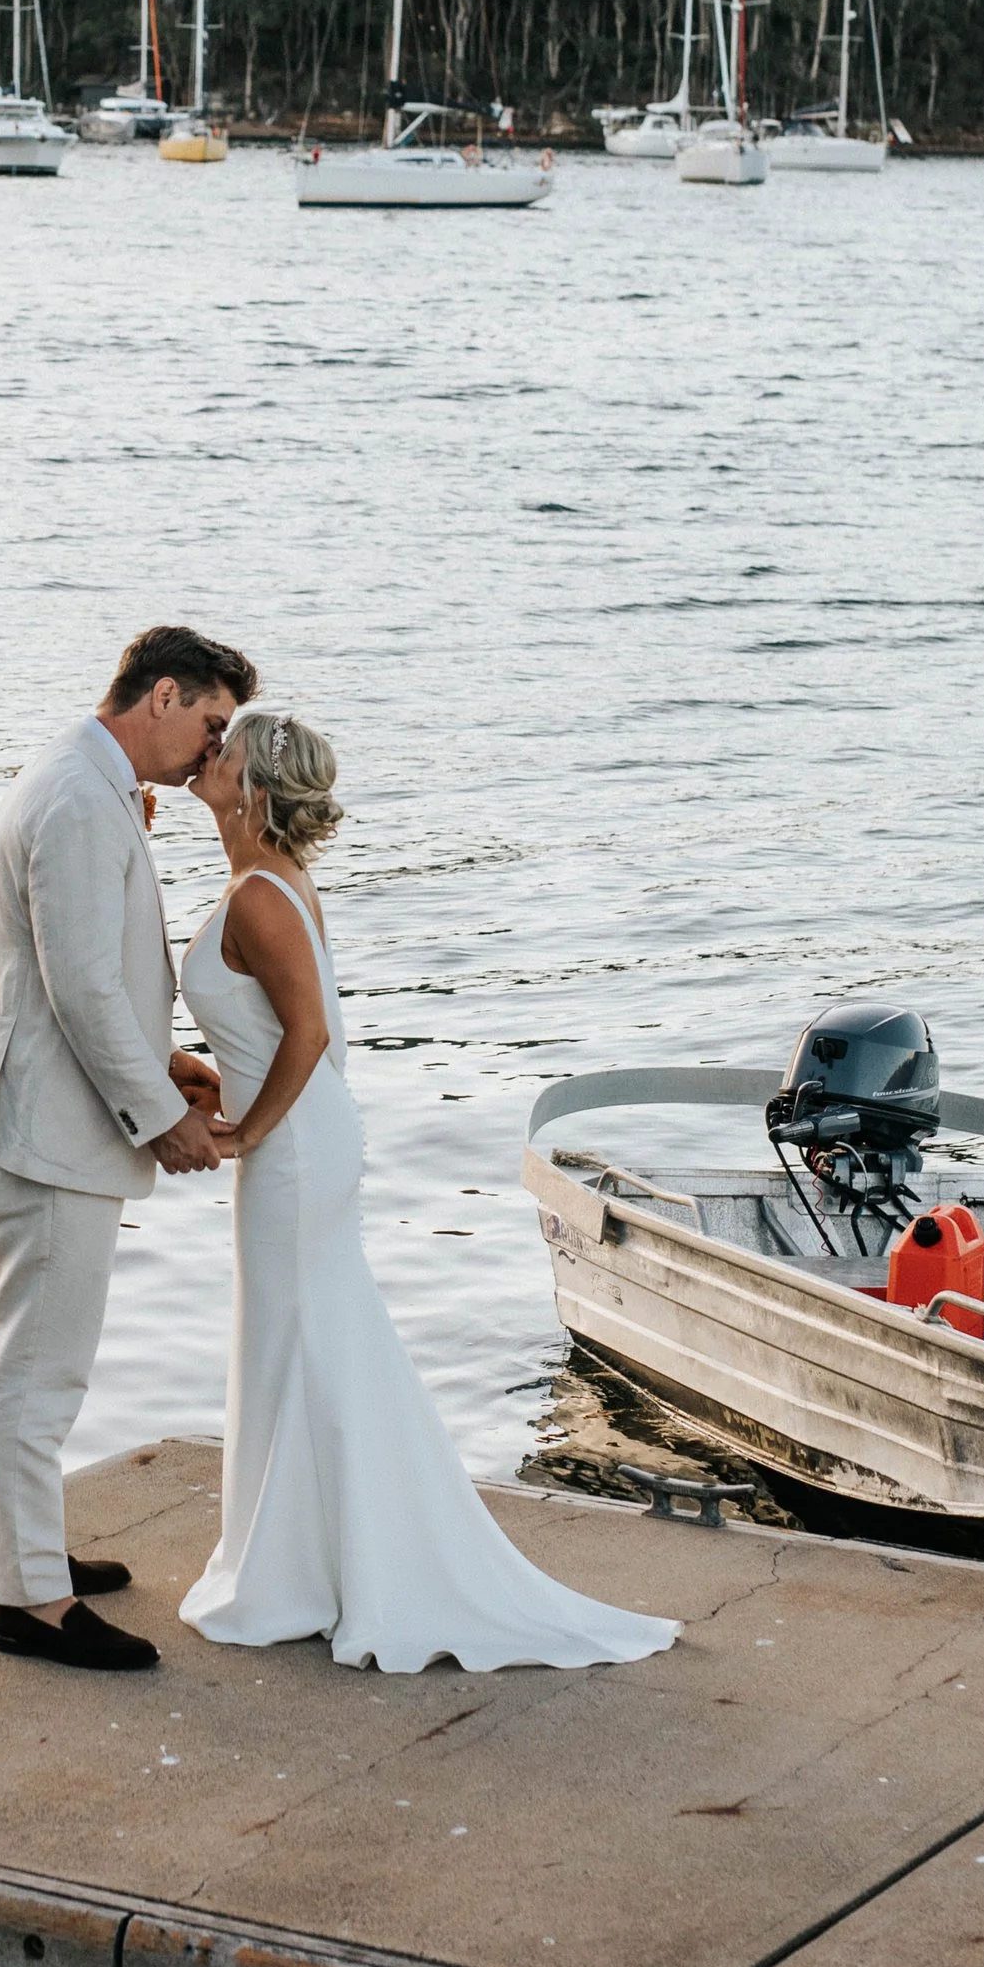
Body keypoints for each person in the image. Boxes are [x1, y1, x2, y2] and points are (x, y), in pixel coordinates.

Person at [178, 706, 678, 1675]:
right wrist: (205, 1080)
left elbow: (309, 1038)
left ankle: (315, 1572)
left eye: (223, 749)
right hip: (303, 1140)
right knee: (300, 1334)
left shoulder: (259, 897)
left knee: (306, 1333)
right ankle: (309, 1564)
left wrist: (248, 1130)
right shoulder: (264, 885)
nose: (208, 753)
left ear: (254, 788)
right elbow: (267, 1032)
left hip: (296, 1147)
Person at [0, 624, 257, 1673]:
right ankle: (32, 1603)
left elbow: (82, 970)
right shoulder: (78, 797)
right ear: (162, 695)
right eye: (209, 723)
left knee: (3, 1345)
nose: (212, 751)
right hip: (51, 1123)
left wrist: (163, 1063)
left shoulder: (77, 774)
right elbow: (79, 983)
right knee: (41, 1367)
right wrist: (158, 1117)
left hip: (30, 1104)